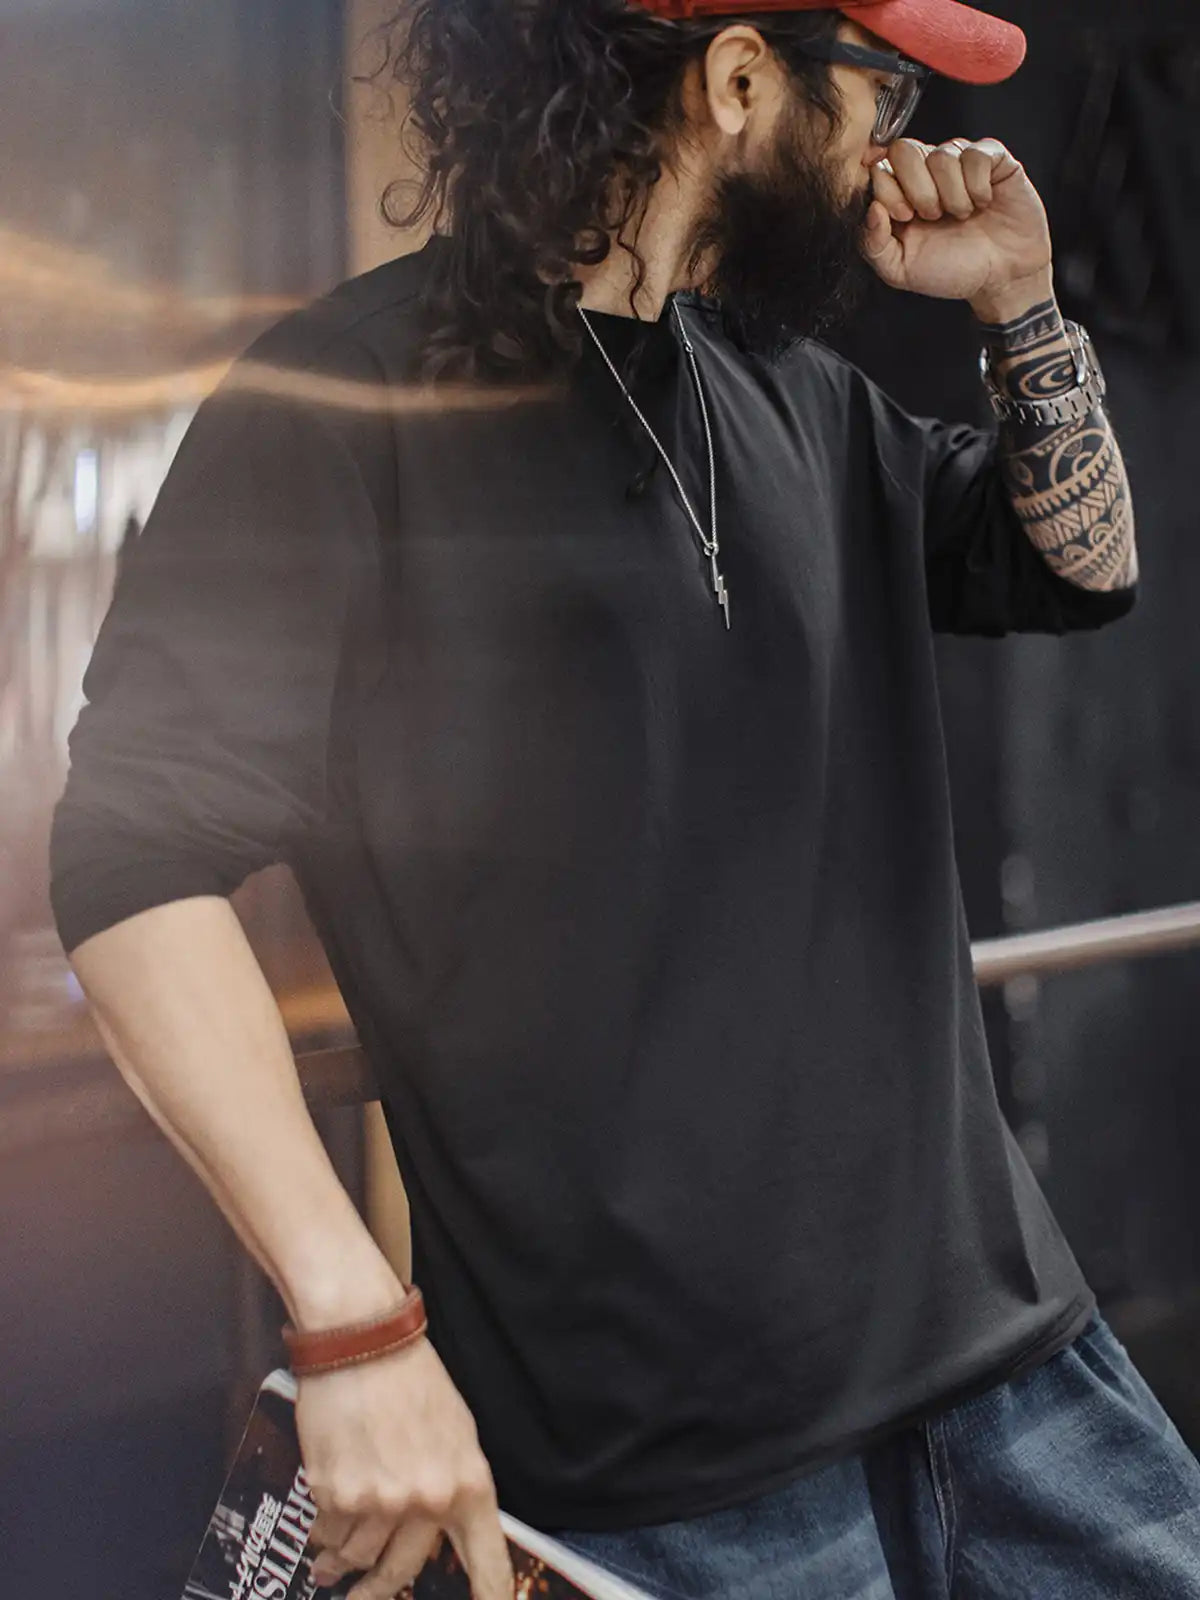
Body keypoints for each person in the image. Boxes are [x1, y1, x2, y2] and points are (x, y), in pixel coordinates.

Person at [48, 0, 1200, 1596]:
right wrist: (354, 1324)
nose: (900, 142)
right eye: (881, 91)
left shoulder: (795, 389)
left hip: (1011, 1368)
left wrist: (1020, 304)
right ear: (739, 81)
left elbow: (1080, 569)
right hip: (673, 1468)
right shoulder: (339, 410)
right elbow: (129, 867)